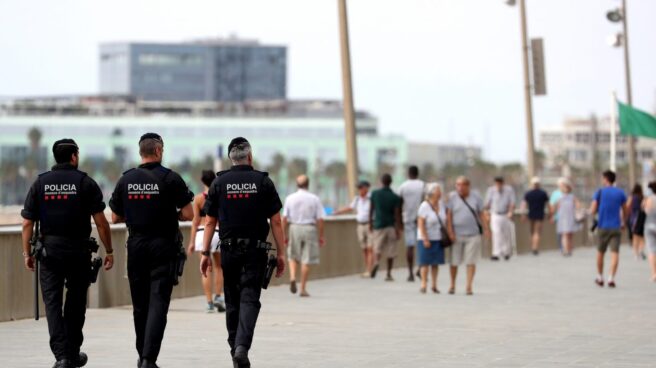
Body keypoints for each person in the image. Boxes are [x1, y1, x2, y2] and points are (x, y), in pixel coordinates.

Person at [21, 139, 114, 368]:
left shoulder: (40, 183)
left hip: (49, 253)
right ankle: (71, 352)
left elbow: (27, 223)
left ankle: (62, 356)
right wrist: (109, 250)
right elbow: (102, 223)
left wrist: (27, 254)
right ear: (74, 157)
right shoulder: (85, 182)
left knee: (52, 304)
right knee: (75, 302)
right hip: (77, 252)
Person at [109, 133, 194, 368]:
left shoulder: (126, 180)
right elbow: (189, 214)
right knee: (158, 303)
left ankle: (142, 354)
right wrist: (171, 215)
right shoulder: (171, 178)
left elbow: (115, 217)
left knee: (140, 305)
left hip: (136, 246)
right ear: (158, 151)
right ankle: (148, 358)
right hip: (163, 246)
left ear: (140, 153)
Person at [200, 137, 286, 368]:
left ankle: (234, 348)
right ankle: (241, 347)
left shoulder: (219, 183)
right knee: (250, 298)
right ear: (250, 156)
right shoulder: (263, 182)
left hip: (228, 250)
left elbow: (209, 222)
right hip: (255, 251)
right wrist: (281, 254)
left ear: (231, 159)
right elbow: (276, 221)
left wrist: (205, 252)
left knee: (232, 299)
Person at [282, 174, 326, 297]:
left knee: (292, 255)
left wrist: (283, 234)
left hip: (294, 227)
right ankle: (302, 288)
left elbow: (284, 218)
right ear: (308, 184)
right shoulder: (314, 199)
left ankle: (292, 277)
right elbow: (321, 219)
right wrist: (321, 236)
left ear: (297, 184)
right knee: (307, 259)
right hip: (310, 228)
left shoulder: (290, 198)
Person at [187, 170, 225, 313]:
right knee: (218, 267)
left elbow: (195, 222)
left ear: (202, 182)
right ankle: (218, 297)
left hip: (201, 234)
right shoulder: (219, 197)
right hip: (216, 232)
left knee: (205, 270)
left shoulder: (198, 199)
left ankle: (209, 302)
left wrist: (191, 242)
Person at [446, 176, 487, 296]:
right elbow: (449, 216)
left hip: (473, 234)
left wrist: (486, 228)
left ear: (468, 186)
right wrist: (450, 232)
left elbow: (481, 214)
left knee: (470, 261)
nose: (459, 187)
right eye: (457, 185)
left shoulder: (476, 197)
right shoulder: (452, 198)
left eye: (462, 185)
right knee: (454, 261)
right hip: (456, 234)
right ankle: (452, 284)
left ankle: (469, 286)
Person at [589, 170, 627, 288]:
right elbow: (625, 210)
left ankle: (600, 277)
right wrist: (623, 221)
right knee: (615, 253)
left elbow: (593, 210)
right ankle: (611, 278)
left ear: (606, 179)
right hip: (616, 227)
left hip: (602, 227)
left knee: (600, 252)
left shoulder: (599, 192)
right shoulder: (620, 193)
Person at [334, 180, 373, 277]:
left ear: (366, 188)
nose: (360, 190)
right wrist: (337, 212)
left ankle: (369, 269)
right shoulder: (357, 199)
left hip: (370, 224)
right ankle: (367, 268)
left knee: (370, 248)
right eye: (359, 188)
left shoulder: (372, 198)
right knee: (364, 248)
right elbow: (350, 208)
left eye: (361, 188)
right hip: (360, 225)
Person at [369, 173, 402, 281]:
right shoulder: (395, 197)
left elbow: (371, 210)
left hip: (378, 225)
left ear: (381, 182)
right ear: (391, 182)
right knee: (391, 250)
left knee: (377, 248)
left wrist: (370, 223)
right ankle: (388, 273)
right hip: (391, 226)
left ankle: (376, 262)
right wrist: (398, 229)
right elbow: (397, 214)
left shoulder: (375, 194)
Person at [416, 183, 447, 294]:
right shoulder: (424, 206)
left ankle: (434, 284)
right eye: (438, 191)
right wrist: (425, 238)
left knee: (435, 262)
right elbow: (421, 223)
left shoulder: (442, 204)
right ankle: (423, 283)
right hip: (425, 237)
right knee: (425, 262)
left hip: (438, 237)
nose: (440, 193)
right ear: (432, 193)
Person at [398, 165, 425, 281]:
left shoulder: (403, 186)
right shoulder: (422, 185)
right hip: (421, 219)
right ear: (417, 173)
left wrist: (399, 222)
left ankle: (410, 273)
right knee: (422, 246)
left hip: (407, 218)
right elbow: (426, 202)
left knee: (410, 246)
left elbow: (399, 205)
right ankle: (420, 269)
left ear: (408, 174)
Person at [485, 176, 516, 261]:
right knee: (496, 233)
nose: (498, 185)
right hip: (495, 214)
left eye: (500, 183)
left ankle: (506, 252)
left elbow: (512, 202)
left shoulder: (509, 190)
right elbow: (488, 203)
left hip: (505, 214)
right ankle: (496, 253)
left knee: (506, 234)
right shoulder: (491, 190)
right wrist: (486, 213)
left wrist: (510, 212)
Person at [521, 177, 550, 255]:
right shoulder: (543, 193)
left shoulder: (528, 193)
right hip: (540, 214)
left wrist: (523, 214)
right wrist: (550, 214)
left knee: (532, 232)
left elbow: (523, 205)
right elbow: (548, 205)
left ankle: (532, 247)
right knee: (537, 232)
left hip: (531, 214)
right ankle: (535, 247)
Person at [552, 178, 580, 256]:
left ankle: (568, 249)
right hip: (564, 218)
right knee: (565, 235)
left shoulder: (571, 197)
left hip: (569, 217)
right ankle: (566, 250)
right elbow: (556, 208)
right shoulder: (561, 198)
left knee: (569, 234)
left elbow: (578, 205)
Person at [626, 184, 646, 260]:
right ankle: (641, 251)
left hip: (633, 218)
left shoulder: (631, 197)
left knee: (635, 237)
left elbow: (627, 206)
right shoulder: (642, 197)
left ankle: (636, 254)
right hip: (642, 218)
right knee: (642, 236)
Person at [642, 181, 656, 282]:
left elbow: (645, 210)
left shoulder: (649, 199)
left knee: (652, 250)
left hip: (649, 225)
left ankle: (654, 273)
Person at [549, 178, 567, 252]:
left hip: (567, 216)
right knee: (560, 232)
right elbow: (552, 205)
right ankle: (561, 247)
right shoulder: (555, 193)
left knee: (566, 232)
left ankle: (566, 247)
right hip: (558, 216)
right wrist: (552, 216)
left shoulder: (568, 193)